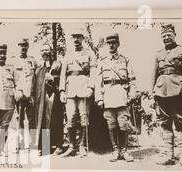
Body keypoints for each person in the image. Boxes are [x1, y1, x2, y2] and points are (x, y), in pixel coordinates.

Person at [150, 24, 182, 169]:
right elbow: (153, 75)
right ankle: (169, 156)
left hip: (178, 90)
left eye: (168, 35)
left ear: (174, 35)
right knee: (164, 122)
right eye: (163, 36)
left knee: (180, 122)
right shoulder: (158, 54)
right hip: (161, 91)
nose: (166, 38)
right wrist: (152, 94)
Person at [95, 33, 138, 162]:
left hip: (122, 95)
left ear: (118, 44)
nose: (111, 45)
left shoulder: (125, 60)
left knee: (123, 123)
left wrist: (132, 94)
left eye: (114, 43)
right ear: (106, 45)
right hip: (108, 95)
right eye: (109, 43)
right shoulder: (102, 61)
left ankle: (124, 151)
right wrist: (99, 98)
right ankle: (115, 150)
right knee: (111, 124)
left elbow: (132, 79)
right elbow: (98, 82)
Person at [59, 27, 97, 157]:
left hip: (83, 88)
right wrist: (62, 91)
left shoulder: (89, 53)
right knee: (70, 118)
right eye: (74, 37)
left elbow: (93, 72)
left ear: (83, 38)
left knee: (83, 118)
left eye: (78, 36)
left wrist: (91, 87)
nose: (76, 39)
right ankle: (71, 146)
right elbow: (63, 73)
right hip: (70, 90)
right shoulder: (68, 54)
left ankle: (82, 146)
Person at [31, 44, 63, 156]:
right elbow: (34, 85)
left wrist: (54, 78)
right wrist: (33, 97)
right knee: (43, 121)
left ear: (51, 51)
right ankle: (44, 147)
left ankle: (58, 146)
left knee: (56, 121)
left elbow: (63, 79)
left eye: (47, 50)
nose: (45, 52)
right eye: (43, 50)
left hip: (55, 98)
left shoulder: (58, 65)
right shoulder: (39, 69)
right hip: (41, 100)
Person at [12, 38, 38, 152]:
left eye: (25, 45)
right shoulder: (13, 62)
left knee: (32, 119)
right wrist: (15, 92)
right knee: (19, 119)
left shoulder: (33, 60)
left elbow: (36, 78)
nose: (23, 47)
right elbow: (11, 79)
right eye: (21, 45)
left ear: (28, 47)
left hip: (30, 95)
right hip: (19, 94)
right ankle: (20, 144)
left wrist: (33, 94)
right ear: (18, 46)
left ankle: (33, 144)